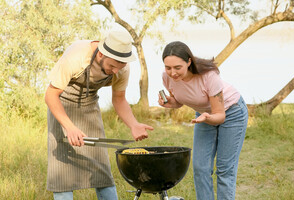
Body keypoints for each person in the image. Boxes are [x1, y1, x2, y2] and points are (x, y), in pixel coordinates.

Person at [45, 31, 154, 200]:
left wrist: (133, 124)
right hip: (62, 104)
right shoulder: (76, 56)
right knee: (62, 168)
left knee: (101, 169)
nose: (116, 71)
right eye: (112, 66)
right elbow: (50, 95)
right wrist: (70, 127)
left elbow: (119, 99)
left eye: (120, 66)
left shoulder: (122, 67)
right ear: (101, 54)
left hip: (89, 107)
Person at [158, 41, 248, 200]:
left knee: (225, 169)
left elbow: (220, 115)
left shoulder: (208, 76)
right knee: (200, 168)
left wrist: (207, 116)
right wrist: (173, 103)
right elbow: (182, 98)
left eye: (177, 68)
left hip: (232, 112)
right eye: (168, 67)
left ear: (188, 62)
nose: (173, 73)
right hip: (204, 116)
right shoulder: (167, 77)